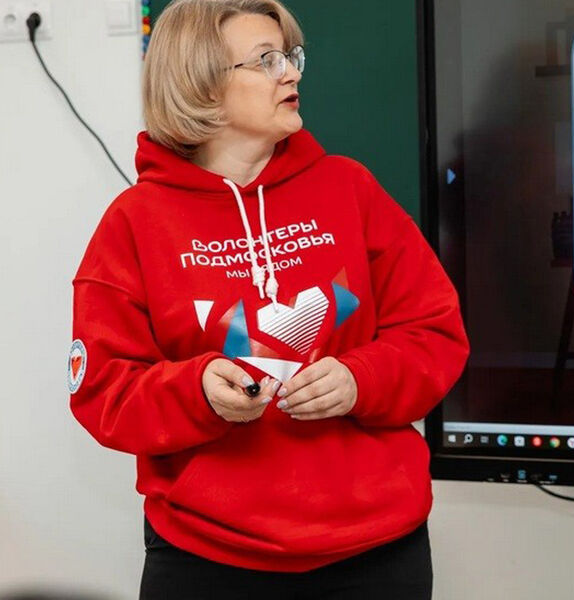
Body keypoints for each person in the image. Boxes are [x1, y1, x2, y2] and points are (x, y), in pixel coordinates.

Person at [67, 0, 470, 598]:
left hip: (377, 551)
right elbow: (103, 388)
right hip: (207, 557)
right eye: (266, 60)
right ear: (201, 83)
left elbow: (434, 331)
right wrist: (196, 391)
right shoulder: (134, 222)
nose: (292, 73)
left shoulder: (350, 188)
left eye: (290, 56)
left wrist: (360, 379)